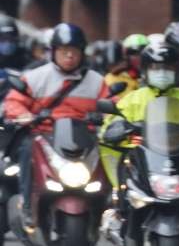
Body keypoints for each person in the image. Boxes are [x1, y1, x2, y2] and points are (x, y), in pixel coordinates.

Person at [100, 43, 179, 246]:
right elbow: (111, 123)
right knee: (124, 172)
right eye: (156, 68)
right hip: (145, 161)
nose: (162, 73)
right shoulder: (133, 99)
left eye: (167, 68)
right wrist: (115, 129)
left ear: (177, 70)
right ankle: (120, 213)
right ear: (146, 71)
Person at [4, 23, 108, 228]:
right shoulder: (36, 76)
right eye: (64, 51)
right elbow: (13, 101)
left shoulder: (97, 81)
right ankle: (27, 204)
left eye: (74, 51)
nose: (69, 56)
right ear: (53, 52)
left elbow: (112, 104)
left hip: (85, 137)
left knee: (111, 154)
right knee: (26, 152)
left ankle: (111, 210)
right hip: (44, 136)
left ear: (82, 53)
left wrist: (108, 119)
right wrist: (24, 115)